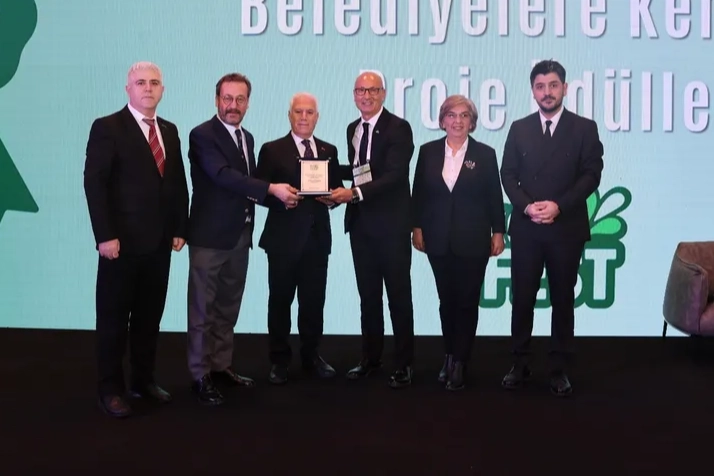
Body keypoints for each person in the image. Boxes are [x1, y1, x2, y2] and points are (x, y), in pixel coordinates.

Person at [186, 73, 300, 405]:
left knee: (227, 307)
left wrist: (286, 196)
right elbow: (223, 176)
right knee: (202, 310)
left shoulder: (246, 138)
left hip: (240, 236)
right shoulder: (202, 135)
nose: (233, 105)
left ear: (248, 103)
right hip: (209, 238)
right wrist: (272, 190)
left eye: (240, 99)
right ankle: (199, 374)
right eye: (227, 98)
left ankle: (220, 366)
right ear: (216, 100)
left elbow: (248, 186)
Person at [83, 61, 189, 418]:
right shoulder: (107, 127)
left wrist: (180, 227)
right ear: (128, 88)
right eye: (141, 82)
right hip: (120, 245)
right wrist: (105, 235)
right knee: (113, 321)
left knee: (149, 318)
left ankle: (143, 381)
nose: (148, 88)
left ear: (163, 90)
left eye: (154, 82)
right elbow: (95, 184)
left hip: (159, 244)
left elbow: (177, 182)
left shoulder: (169, 130)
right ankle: (109, 390)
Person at [500, 59, 604, 397]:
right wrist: (527, 206)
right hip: (527, 227)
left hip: (566, 227)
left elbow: (591, 174)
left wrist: (560, 205)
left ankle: (559, 368)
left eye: (553, 85)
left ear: (565, 88)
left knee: (562, 299)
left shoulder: (584, 128)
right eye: (540, 86)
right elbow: (507, 174)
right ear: (533, 91)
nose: (547, 92)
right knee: (522, 298)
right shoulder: (519, 128)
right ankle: (520, 362)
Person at [411, 94, 505, 391]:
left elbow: (494, 196)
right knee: (446, 301)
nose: (457, 121)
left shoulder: (485, 154)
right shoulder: (427, 152)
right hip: (437, 239)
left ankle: (461, 361)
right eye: (451, 115)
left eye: (464, 116)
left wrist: (499, 231)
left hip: (473, 240)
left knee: (467, 301)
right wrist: (416, 227)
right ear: (442, 121)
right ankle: (449, 355)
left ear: (472, 122)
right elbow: (418, 193)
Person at [329, 72, 415, 389]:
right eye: (361, 90)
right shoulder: (353, 128)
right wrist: (320, 175)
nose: (366, 96)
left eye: (372, 90)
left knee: (398, 296)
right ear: (354, 95)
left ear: (383, 93)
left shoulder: (399, 128)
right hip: (361, 225)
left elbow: (394, 175)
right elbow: (360, 171)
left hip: (391, 226)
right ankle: (370, 358)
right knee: (368, 297)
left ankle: (404, 364)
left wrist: (352, 193)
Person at [254, 92, 342, 385]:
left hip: (317, 241)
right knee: (280, 302)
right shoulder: (271, 149)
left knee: (313, 303)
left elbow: (337, 189)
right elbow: (259, 191)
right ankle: (279, 360)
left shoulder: (329, 150)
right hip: (282, 241)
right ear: (289, 115)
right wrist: (280, 198)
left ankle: (311, 356)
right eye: (298, 112)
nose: (304, 117)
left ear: (317, 117)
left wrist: (334, 199)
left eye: (309, 112)